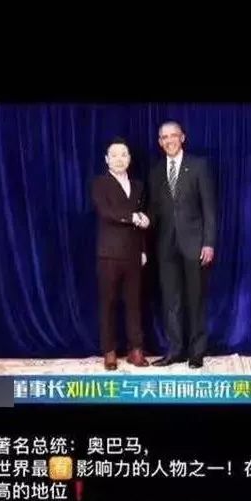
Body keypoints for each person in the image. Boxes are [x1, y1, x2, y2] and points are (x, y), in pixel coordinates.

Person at [149, 122, 216, 368]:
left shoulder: (198, 166)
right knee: (171, 301)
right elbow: (154, 210)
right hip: (166, 246)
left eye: (173, 136)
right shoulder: (156, 172)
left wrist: (209, 243)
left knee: (195, 299)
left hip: (194, 244)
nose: (169, 140)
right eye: (164, 137)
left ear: (182, 137)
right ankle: (175, 350)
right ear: (160, 142)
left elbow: (209, 208)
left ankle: (196, 352)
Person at [92, 139, 150, 370]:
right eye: (114, 155)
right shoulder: (99, 183)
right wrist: (132, 217)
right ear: (107, 159)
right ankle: (110, 352)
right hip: (109, 253)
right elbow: (106, 212)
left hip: (134, 253)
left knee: (134, 303)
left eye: (123, 154)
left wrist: (143, 248)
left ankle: (136, 350)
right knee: (108, 303)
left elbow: (142, 220)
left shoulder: (138, 186)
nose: (119, 159)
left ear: (129, 159)